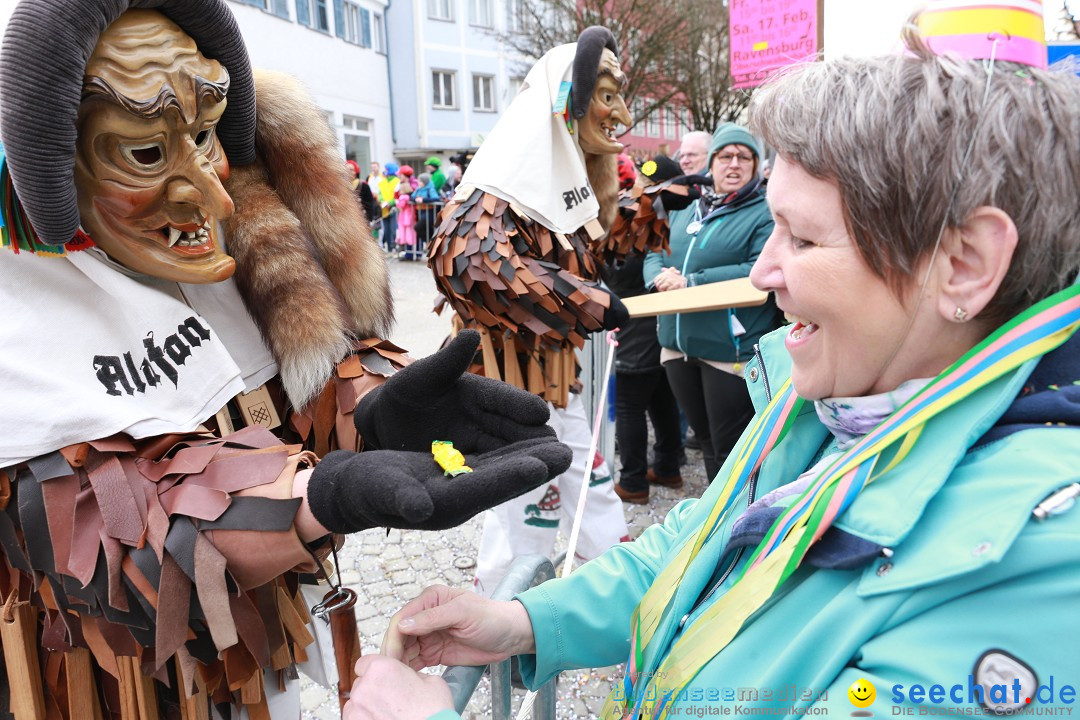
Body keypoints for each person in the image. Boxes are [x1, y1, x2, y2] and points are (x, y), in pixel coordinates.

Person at [345, 15, 1080, 719]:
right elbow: (701, 545)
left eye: (802, 237)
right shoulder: (837, 403)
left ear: (964, 264)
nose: (763, 271)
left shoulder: (1041, 569)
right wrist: (528, 621)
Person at [0, 2, 571, 717]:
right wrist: (309, 502)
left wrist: (373, 414)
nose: (211, 195)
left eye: (208, 137)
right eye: (145, 152)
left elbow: (280, 402)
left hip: (266, 665)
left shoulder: (212, 242)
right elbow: (95, 544)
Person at [428, 27, 638, 593]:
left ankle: (634, 600)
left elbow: (601, 247)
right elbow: (466, 263)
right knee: (524, 508)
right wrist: (588, 301)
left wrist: (630, 198)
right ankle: (503, 613)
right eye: (608, 94)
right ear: (566, 102)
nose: (621, 111)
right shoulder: (501, 181)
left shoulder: (566, 181)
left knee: (591, 486)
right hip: (511, 390)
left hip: (561, 380)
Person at [644, 123, 779, 482]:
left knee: (731, 447)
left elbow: (757, 269)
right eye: (725, 156)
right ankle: (712, 519)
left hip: (728, 349)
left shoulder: (765, 212)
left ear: (754, 165)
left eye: (743, 157)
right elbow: (655, 250)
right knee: (704, 441)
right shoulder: (687, 209)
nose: (733, 164)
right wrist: (657, 277)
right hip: (677, 346)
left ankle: (736, 523)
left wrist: (690, 282)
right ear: (712, 163)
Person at [603, 155, 684, 504]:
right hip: (661, 320)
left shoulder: (640, 216)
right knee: (660, 397)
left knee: (631, 403)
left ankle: (633, 481)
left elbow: (618, 272)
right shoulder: (675, 213)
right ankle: (667, 465)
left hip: (637, 316)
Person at [378, 161, 401, 251]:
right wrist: (382, 202)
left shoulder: (397, 182)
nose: (384, 171)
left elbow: (398, 195)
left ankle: (395, 246)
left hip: (394, 208)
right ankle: (390, 248)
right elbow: (380, 194)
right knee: (386, 230)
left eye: (386, 169)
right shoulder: (382, 182)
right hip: (384, 209)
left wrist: (390, 203)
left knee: (393, 229)